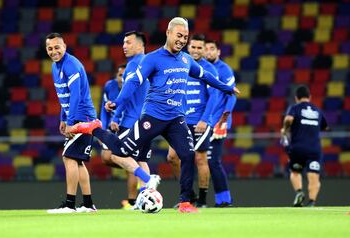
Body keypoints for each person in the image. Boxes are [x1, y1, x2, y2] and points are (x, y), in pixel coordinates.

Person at [70, 17, 240, 213]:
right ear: (168, 33)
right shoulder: (152, 59)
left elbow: (205, 75)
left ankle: (186, 202)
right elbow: (133, 83)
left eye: (185, 37)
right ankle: (94, 128)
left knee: (187, 154)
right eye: (179, 35)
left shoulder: (186, 59)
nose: (182, 40)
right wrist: (117, 102)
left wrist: (226, 88)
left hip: (176, 118)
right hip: (153, 116)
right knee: (122, 151)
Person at [45, 32, 97, 213]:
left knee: (69, 157)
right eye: (49, 48)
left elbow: (75, 95)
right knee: (78, 160)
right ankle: (88, 204)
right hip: (76, 116)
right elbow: (64, 95)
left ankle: (69, 204)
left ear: (64, 46)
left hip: (82, 117)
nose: (53, 51)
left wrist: (69, 121)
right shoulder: (55, 66)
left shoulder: (71, 65)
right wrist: (62, 117)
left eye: (57, 47)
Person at [166, 34, 219, 208]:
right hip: (179, 120)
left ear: (204, 49)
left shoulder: (209, 69)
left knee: (200, 159)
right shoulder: (180, 64)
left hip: (199, 122)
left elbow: (214, 97)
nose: (196, 50)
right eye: (193, 47)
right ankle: (189, 195)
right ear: (188, 47)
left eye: (199, 47)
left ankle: (202, 201)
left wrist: (205, 120)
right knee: (172, 157)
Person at [102, 31, 152, 210]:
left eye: (128, 42)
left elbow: (127, 93)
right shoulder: (150, 62)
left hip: (131, 121)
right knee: (141, 160)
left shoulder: (133, 65)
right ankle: (146, 197)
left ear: (140, 45)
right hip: (148, 120)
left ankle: (148, 181)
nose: (124, 46)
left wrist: (114, 106)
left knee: (116, 155)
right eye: (123, 42)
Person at [280, 85, 329, 207]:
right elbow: (325, 127)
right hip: (314, 149)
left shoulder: (295, 108)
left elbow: (288, 119)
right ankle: (311, 202)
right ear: (310, 97)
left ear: (296, 98)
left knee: (295, 171)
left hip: (298, 148)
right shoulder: (317, 110)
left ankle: (299, 192)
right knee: (313, 176)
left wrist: (285, 129)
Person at [205, 39, 237, 207]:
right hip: (204, 120)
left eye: (212, 49)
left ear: (218, 52)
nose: (209, 52)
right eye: (207, 49)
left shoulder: (224, 70)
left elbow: (232, 95)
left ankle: (224, 199)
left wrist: (225, 115)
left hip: (218, 122)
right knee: (204, 161)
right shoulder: (202, 68)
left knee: (213, 161)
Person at [99, 63, 126, 131]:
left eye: (125, 76)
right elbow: (104, 110)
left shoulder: (136, 88)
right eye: (120, 75)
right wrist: (103, 129)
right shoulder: (109, 86)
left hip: (128, 125)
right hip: (112, 126)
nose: (122, 79)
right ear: (116, 76)